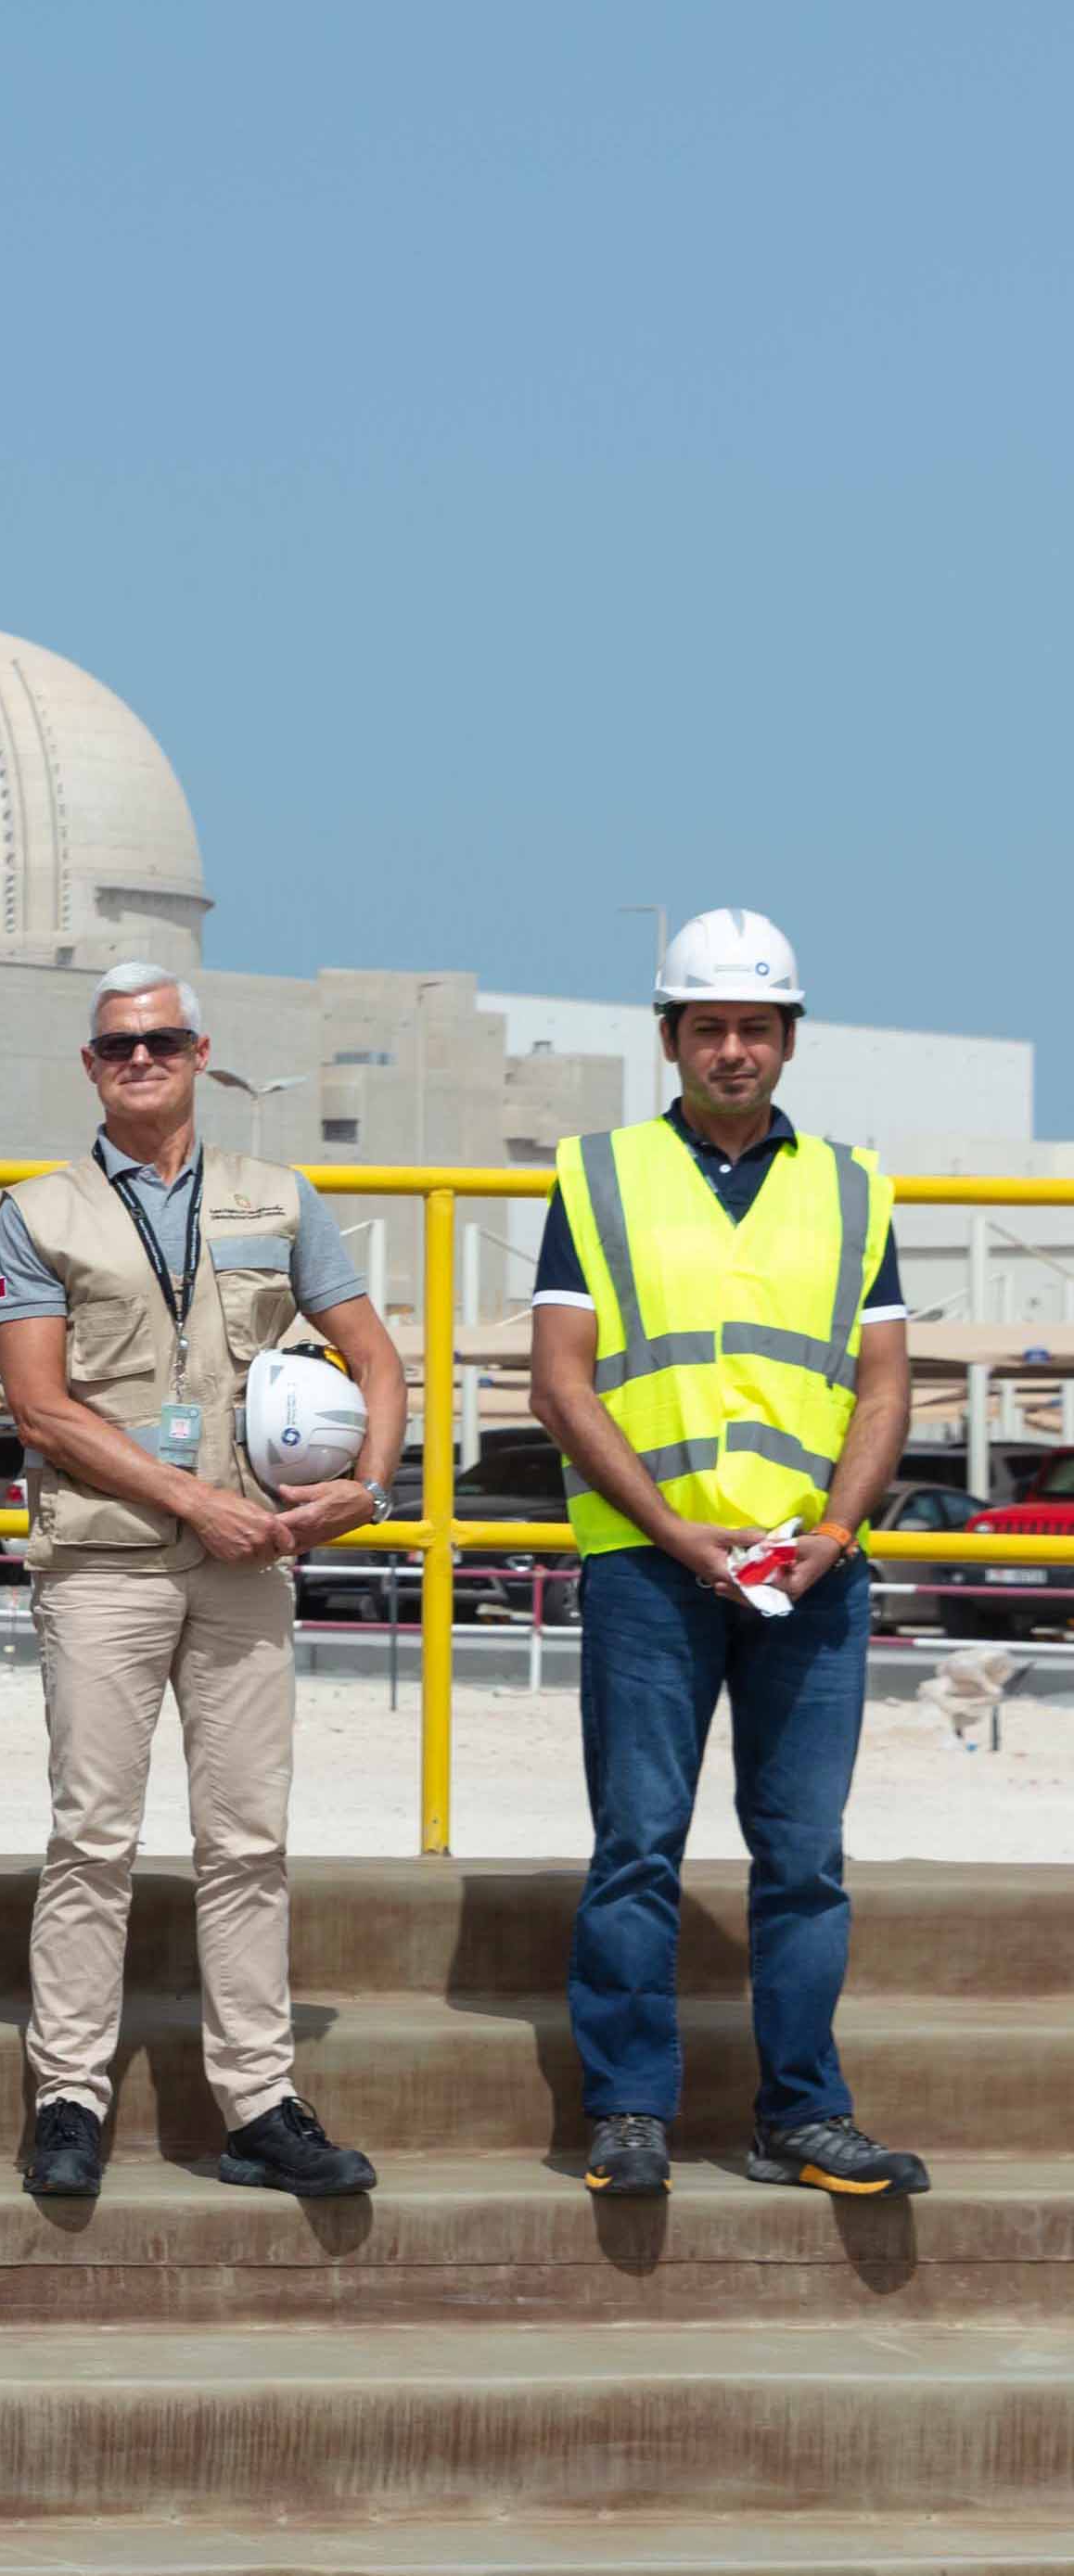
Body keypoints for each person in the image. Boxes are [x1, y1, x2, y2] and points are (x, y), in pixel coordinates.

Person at [531, 909, 927, 2200]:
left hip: (811, 1571)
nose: (734, 1048)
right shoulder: (598, 1175)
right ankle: (631, 2108)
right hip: (655, 1566)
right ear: (670, 1037)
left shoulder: (855, 1184)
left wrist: (834, 1530)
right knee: (639, 1842)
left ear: (791, 1038)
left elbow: (881, 1388)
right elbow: (562, 1383)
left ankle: (801, 2113)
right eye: (709, 1025)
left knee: (803, 1856)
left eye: (757, 1025)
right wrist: (668, 1527)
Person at [0, 963, 401, 2200]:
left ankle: (260, 2101)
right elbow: (43, 1405)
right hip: (111, 1563)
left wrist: (367, 1483)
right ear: (91, 1065)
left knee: (246, 1838)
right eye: (119, 1046)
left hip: (246, 1571)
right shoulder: (41, 1208)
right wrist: (194, 1501)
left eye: (162, 1040)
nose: (142, 1058)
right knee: (92, 1834)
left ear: (202, 1052)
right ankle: (69, 2095)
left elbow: (376, 1355)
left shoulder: (279, 1197)